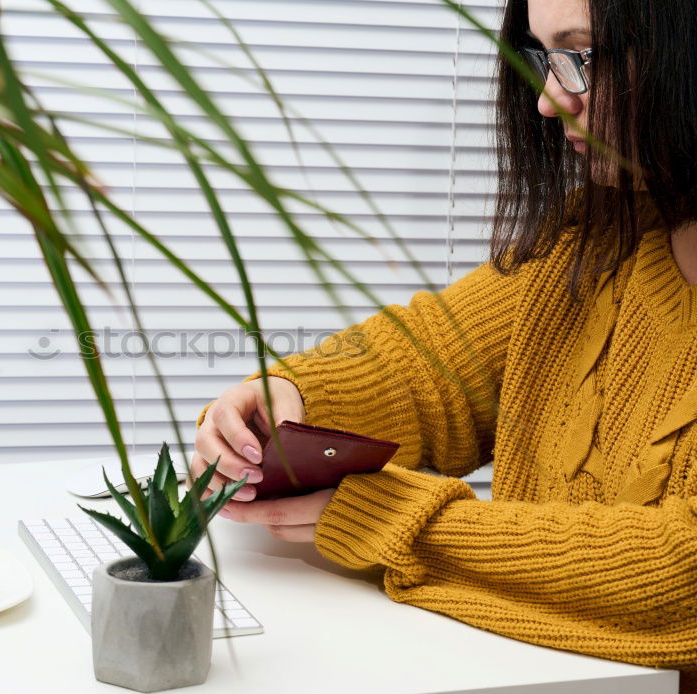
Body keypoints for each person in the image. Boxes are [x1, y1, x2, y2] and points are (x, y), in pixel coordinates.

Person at [191, 0, 697, 690]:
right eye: (543, 57)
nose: (550, 101)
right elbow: (428, 363)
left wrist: (397, 522)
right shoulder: (597, 240)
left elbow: (680, 573)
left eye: (583, 56)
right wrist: (290, 397)